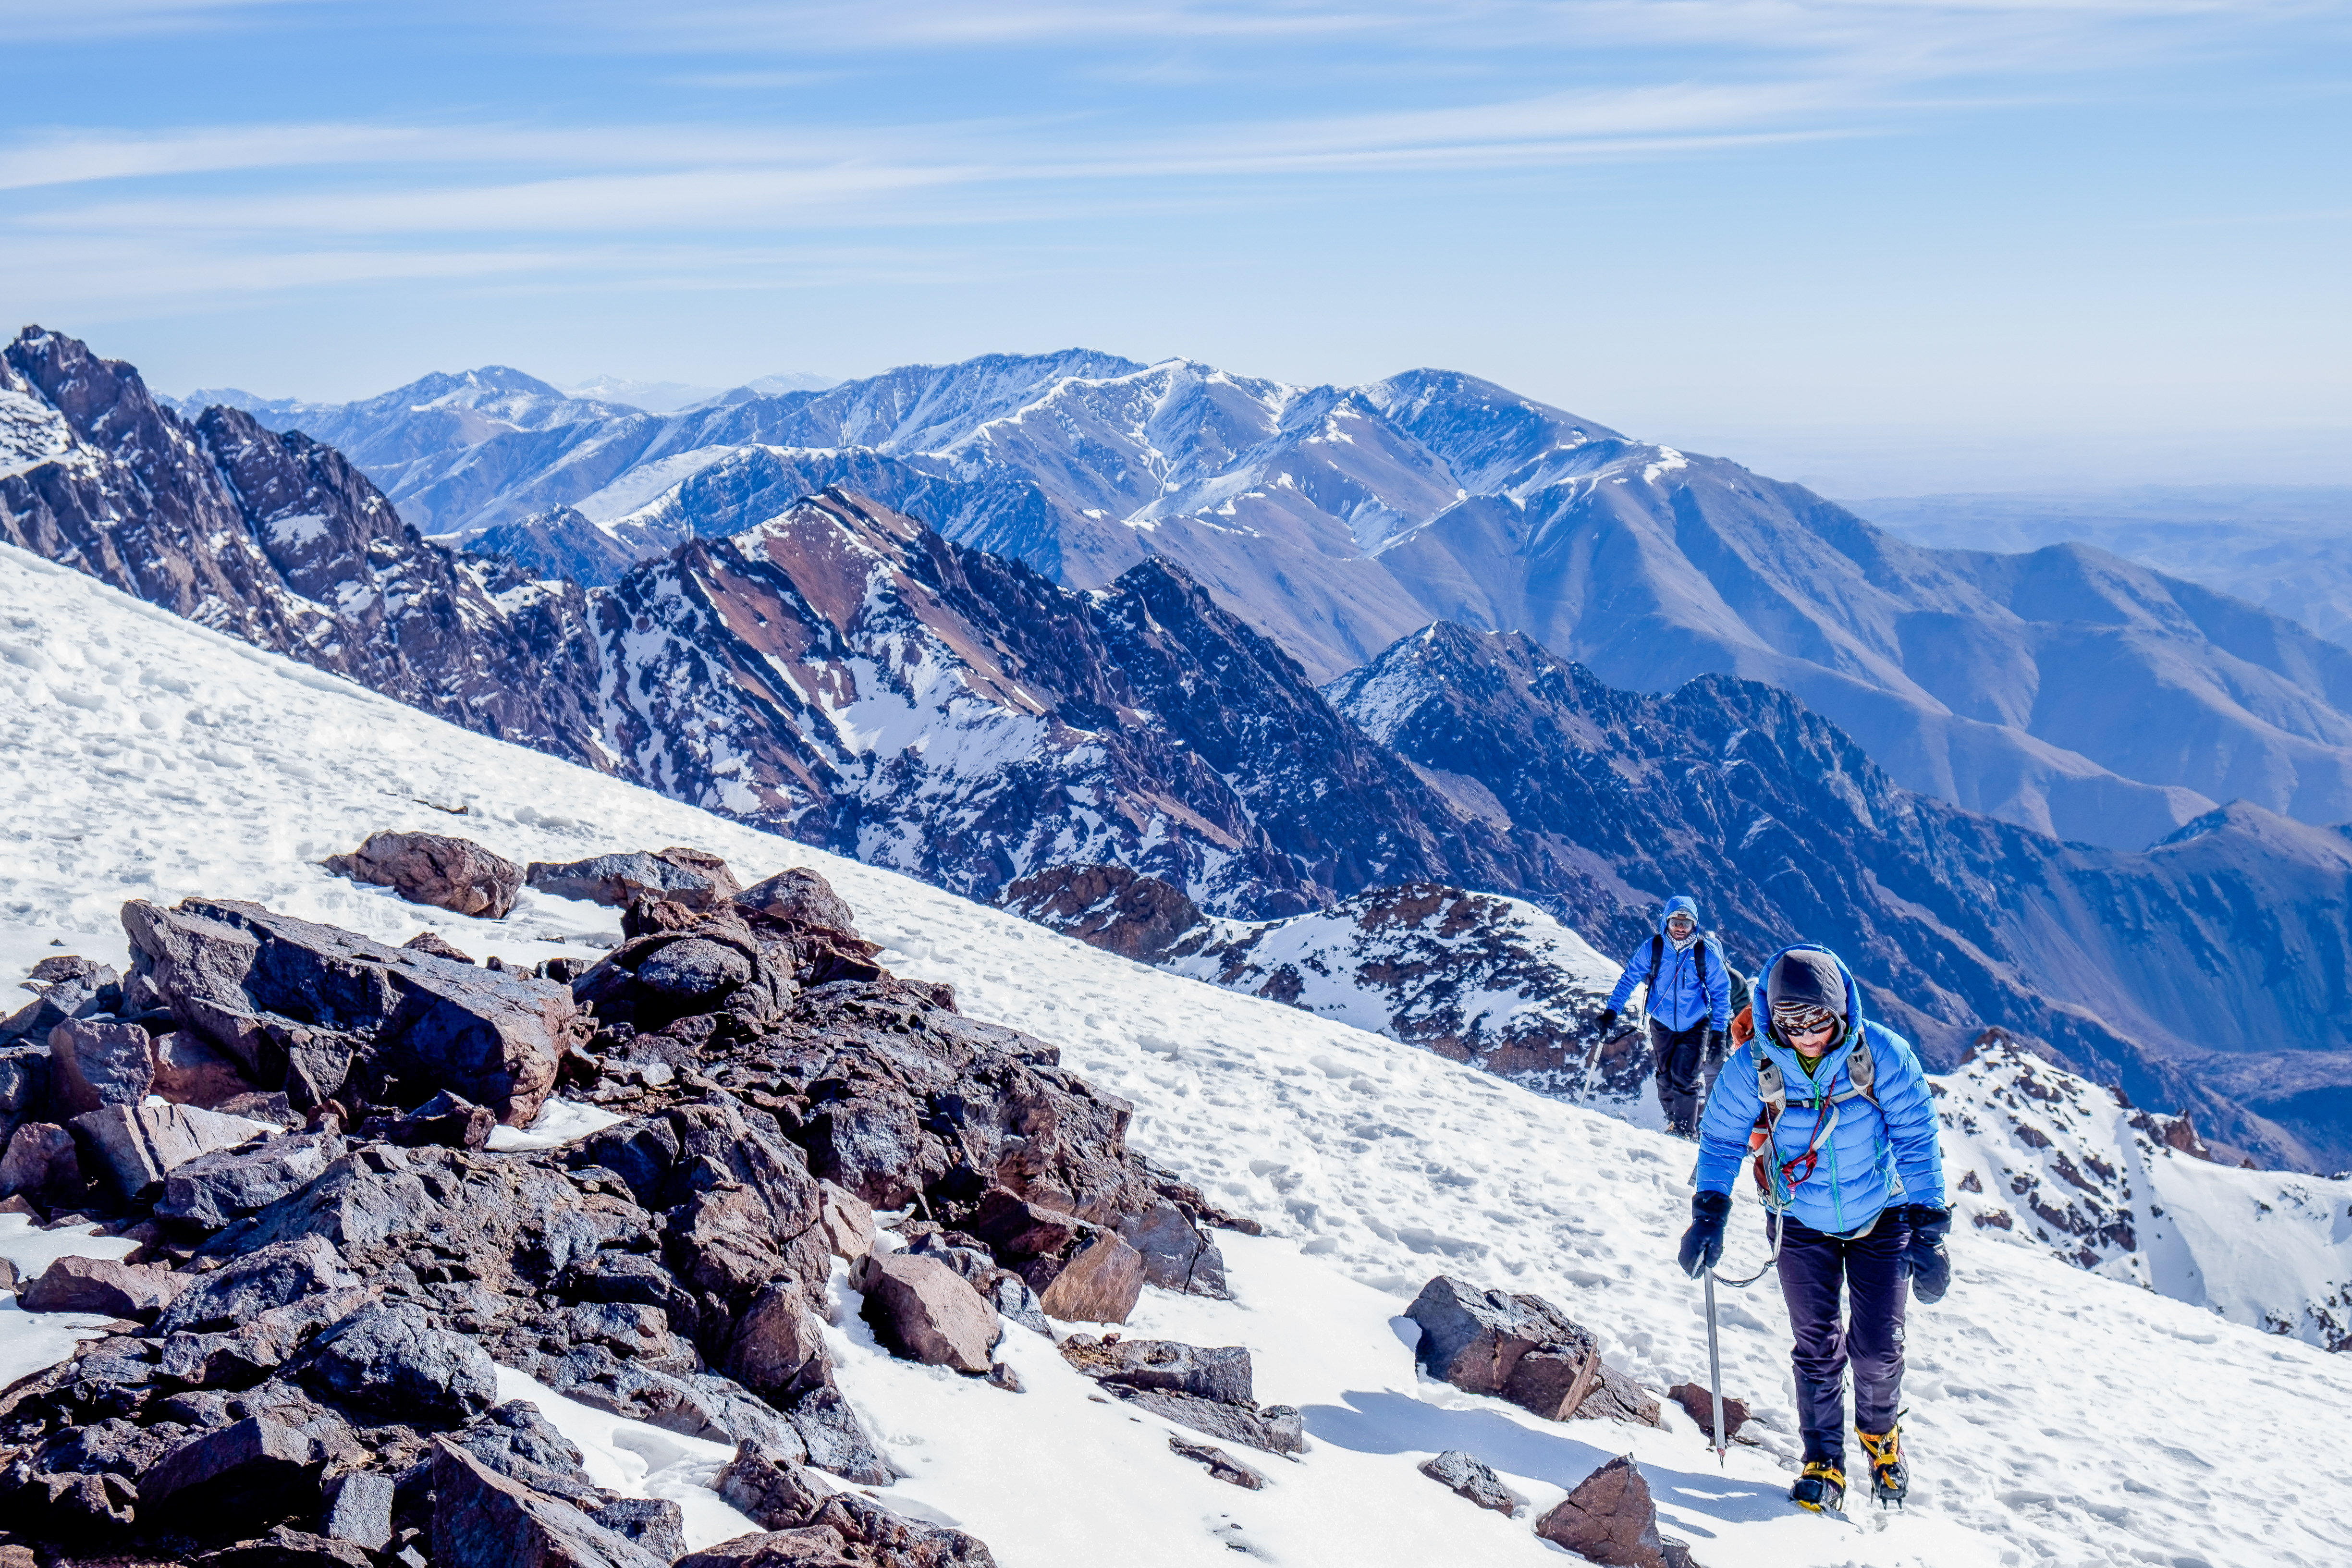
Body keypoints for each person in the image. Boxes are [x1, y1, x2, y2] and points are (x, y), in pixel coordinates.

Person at [1675, 943, 1950, 1513]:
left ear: (1839, 1010)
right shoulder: (1755, 1065)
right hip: (1800, 1220)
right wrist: (1709, 1214)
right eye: (1790, 1020)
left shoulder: (1881, 1054)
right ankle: (1822, 1461)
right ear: (1773, 1018)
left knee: (1877, 1349)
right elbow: (1723, 1139)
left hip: (1883, 1216)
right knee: (1817, 1346)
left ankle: (1881, 1438)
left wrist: (1929, 1227)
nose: (1804, 1032)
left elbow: (1917, 1138)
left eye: (1816, 1018)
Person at [1596, 895, 1730, 1136]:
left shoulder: (1704, 953)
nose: (1680, 928)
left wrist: (1719, 1032)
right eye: (1675, 922)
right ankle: (1675, 1119)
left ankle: (1684, 1131)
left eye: (1686, 923)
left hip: (1696, 1024)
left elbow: (1721, 991)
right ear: (1666, 923)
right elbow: (1629, 979)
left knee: (1685, 1076)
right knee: (1665, 1077)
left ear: (1695, 925)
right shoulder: (1653, 948)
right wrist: (1611, 1012)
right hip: (1661, 1023)